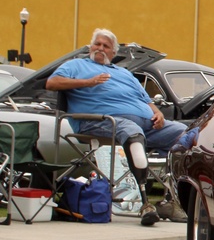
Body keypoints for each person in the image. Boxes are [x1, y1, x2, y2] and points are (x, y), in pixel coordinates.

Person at [45, 28, 187, 226]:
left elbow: (146, 100)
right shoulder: (76, 65)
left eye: (106, 46)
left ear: (113, 53)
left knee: (187, 135)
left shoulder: (125, 74)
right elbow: (52, 83)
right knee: (132, 132)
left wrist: (158, 113)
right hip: (101, 121)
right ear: (90, 47)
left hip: (148, 124)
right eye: (97, 44)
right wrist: (87, 82)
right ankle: (146, 204)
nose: (101, 48)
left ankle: (172, 200)